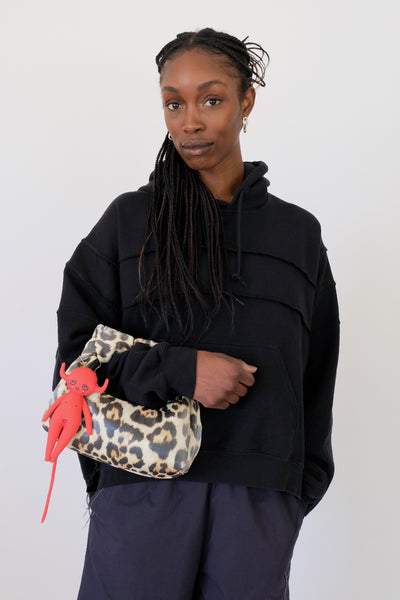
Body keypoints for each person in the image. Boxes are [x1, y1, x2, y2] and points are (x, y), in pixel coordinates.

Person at [54, 27, 340, 600]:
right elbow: (74, 368)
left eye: (211, 100)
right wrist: (181, 371)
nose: (190, 121)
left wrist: (294, 487)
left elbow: (316, 377)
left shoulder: (298, 236)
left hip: (260, 499)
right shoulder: (128, 223)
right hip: (143, 488)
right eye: (174, 103)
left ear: (246, 102)